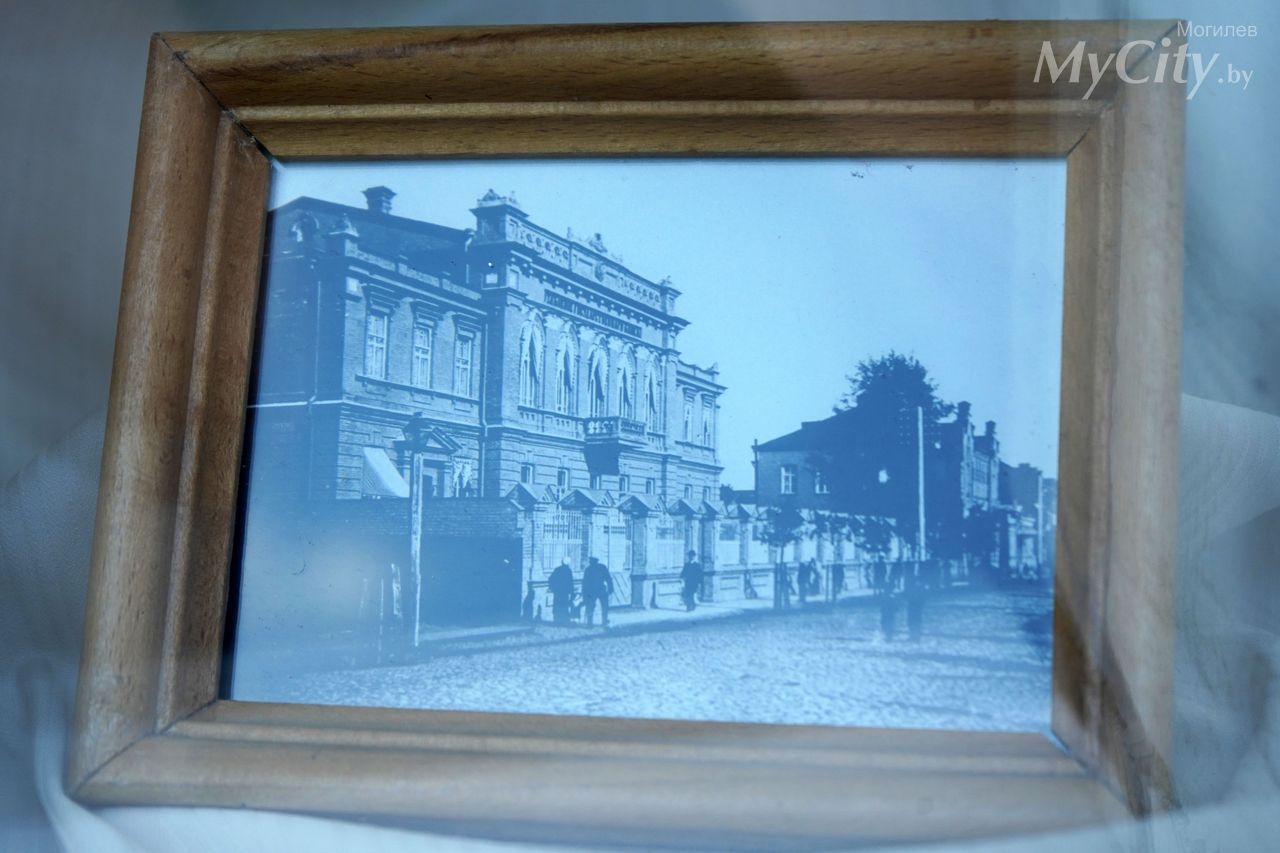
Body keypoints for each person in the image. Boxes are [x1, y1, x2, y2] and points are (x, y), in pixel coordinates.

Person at [582, 556, 614, 627]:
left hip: (591, 591)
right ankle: (604, 620)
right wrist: (611, 588)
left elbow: (585, 583)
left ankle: (590, 623)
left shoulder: (588, 569)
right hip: (601, 589)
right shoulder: (602, 567)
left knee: (590, 606)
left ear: (591, 561)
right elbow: (608, 578)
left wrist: (584, 593)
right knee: (605, 606)